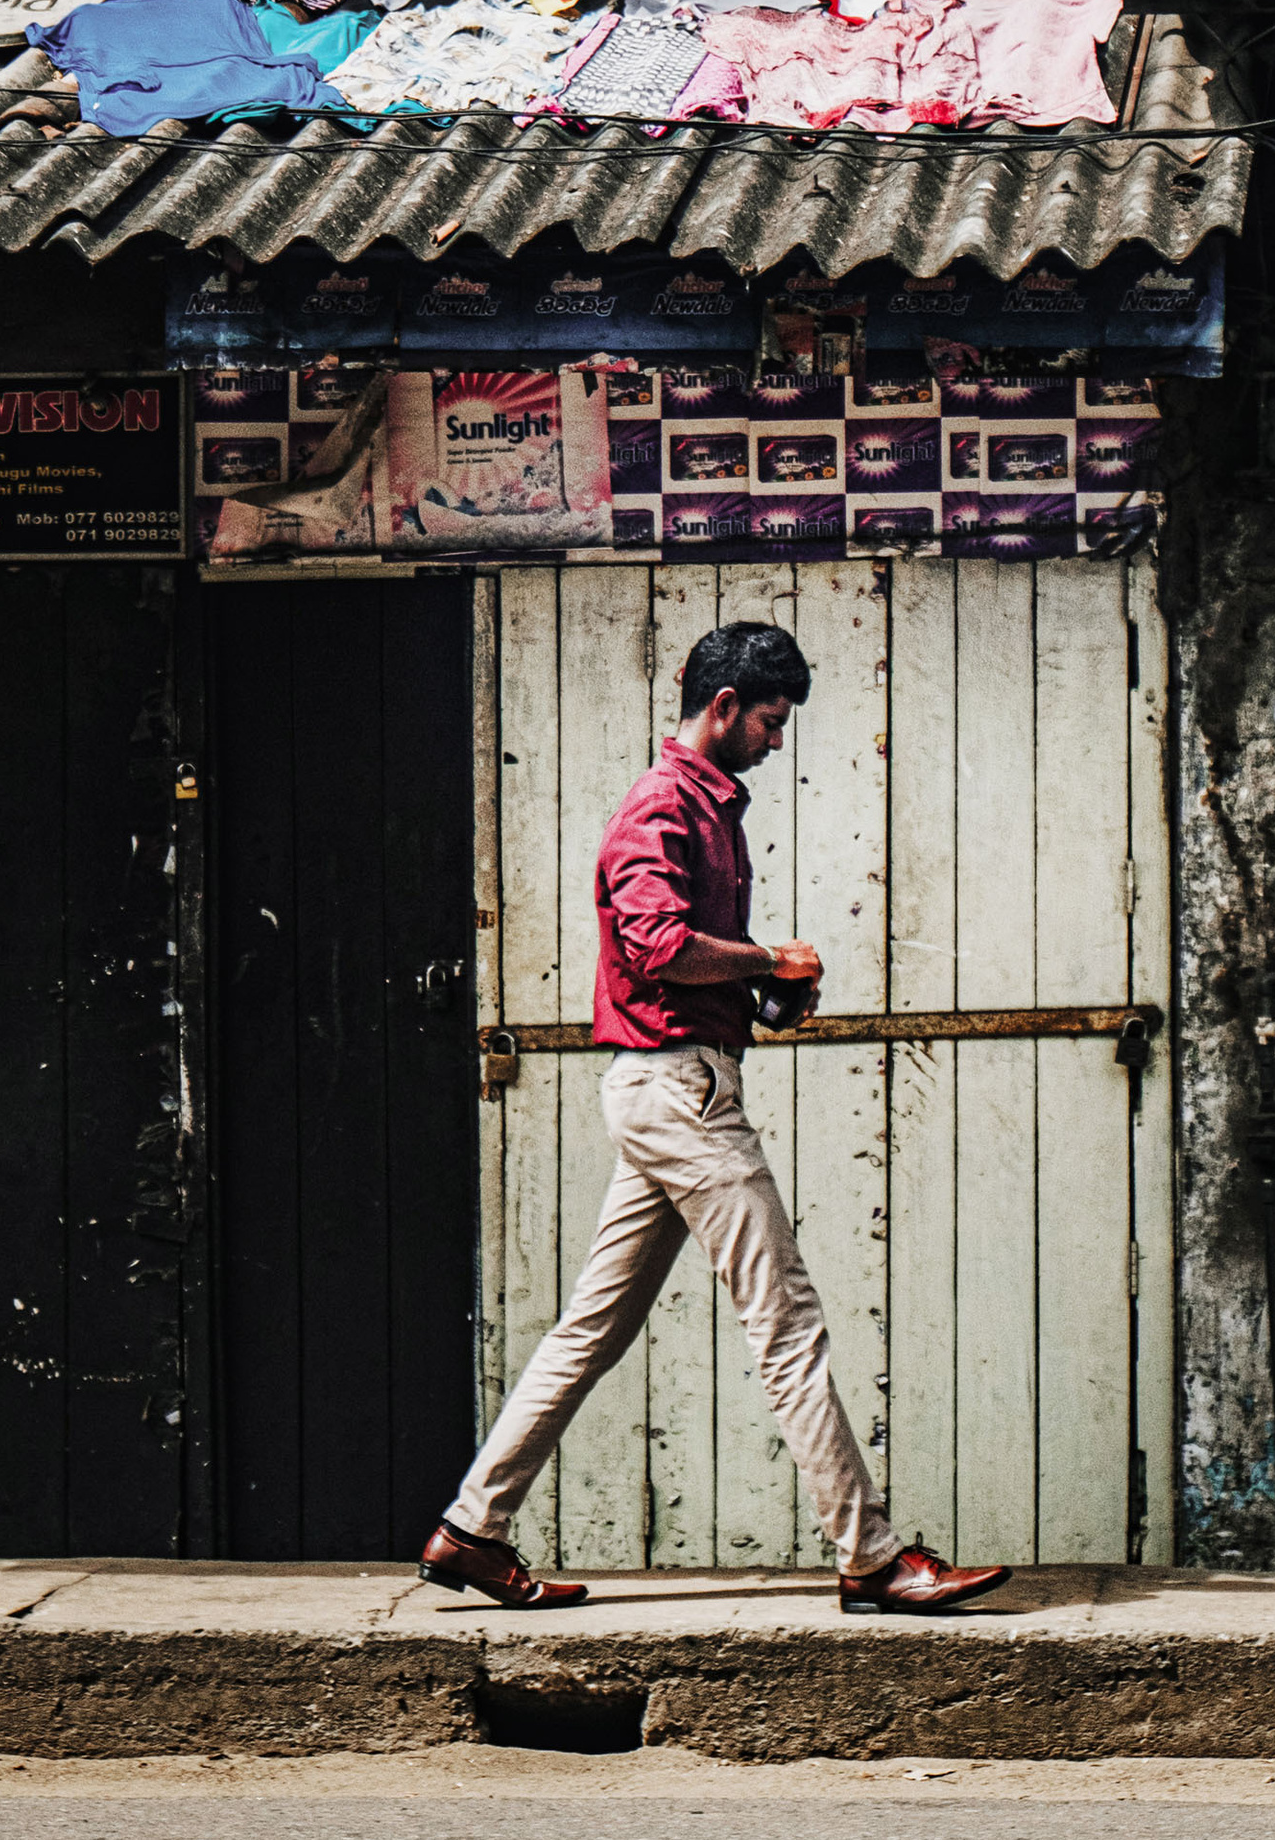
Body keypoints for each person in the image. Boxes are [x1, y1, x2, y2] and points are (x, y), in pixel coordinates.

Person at [420, 619, 1005, 1615]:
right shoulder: (660, 809)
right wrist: (765, 960)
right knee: (787, 1326)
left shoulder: (703, 809)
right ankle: (871, 1560)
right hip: (677, 1093)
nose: (777, 743)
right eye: (771, 722)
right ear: (725, 706)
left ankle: (471, 1529)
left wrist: (760, 994)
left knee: (587, 1332)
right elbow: (655, 947)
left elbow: (685, 959)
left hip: (670, 1085)